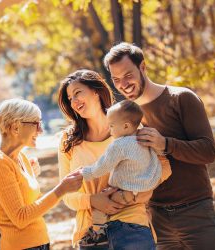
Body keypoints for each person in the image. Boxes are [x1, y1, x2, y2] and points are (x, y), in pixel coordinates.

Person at [104, 42, 215, 249]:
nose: (123, 84)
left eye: (128, 75)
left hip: (195, 212)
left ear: (142, 67)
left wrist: (166, 144)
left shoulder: (181, 98)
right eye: (116, 79)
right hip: (156, 218)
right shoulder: (123, 116)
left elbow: (208, 151)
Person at [57, 69, 171, 249]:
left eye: (78, 93)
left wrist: (139, 192)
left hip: (132, 227)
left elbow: (163, 166)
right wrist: (93, 200)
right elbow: (66, 194)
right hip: (91, 234)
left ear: (96, 91)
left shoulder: (129, 125)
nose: (74, 101)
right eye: (70, 98)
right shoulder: (68, 140)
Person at [0, 98, 83, 250]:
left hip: (39, 242)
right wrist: (62, 189)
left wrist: (30, 178)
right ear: (15, 127)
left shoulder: (20, 157)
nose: (41, 130)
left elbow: (30, 202)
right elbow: (20, 218)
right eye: (36, 124)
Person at [81, 100, 162, 227]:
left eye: (112, 125)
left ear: (126, 126)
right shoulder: (144, 139)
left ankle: (98, 230)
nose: (109, 129)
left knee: (102, 208)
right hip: (144, 187)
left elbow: (103, 166)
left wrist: (85, 173)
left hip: (125, 190)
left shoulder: (119, 145)